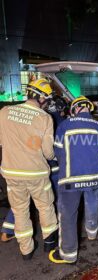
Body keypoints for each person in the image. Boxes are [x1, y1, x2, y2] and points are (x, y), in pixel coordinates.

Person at [0, 78, 58, 260]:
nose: (47, 105)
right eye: (47, 101)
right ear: (41, 99)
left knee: (20, 211)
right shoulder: (44, 118)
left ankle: (26, 250)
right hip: (36, 174)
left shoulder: (4, 112)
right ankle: (50, 244)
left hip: (12, 172)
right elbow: (48, 153)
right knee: (45, 207)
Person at [49, 96, 98, 264]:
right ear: (89, 109)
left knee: (68, 215)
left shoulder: (64, 126)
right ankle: (91, 232)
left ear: (75, 109)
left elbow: (56, 153)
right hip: (94, 178)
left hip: (71, 179)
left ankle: (68, 255)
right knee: (92, 203)